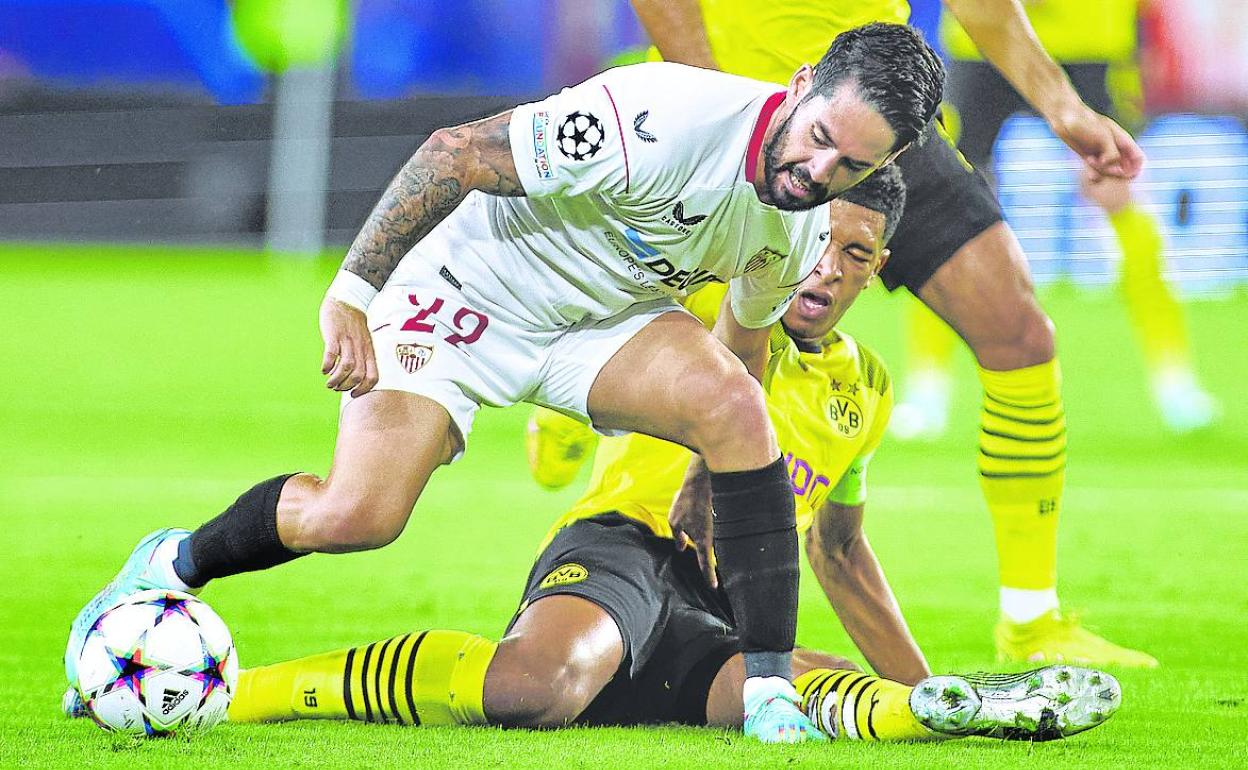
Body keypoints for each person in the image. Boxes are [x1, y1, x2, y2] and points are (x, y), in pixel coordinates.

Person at [65, 23, 946, 743]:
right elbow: (453, 152)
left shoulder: (795, 225)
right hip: (464, 293)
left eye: (850, 169)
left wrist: (708, 478)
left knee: (734, 408)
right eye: (820, 140)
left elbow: (742, 348)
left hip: (598, 323)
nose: (816, 175)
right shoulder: (661, 116)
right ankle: (169, 563)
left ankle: (767, 695)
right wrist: (350, 295)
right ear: (797, 87)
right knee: (357, 516)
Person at [218, 172, 1122, 743]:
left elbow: (838, 552)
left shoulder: (868, 391)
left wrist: (919, 680)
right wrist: (564, 427)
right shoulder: (692, 316)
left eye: (855, 254)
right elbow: (575, 359)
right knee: (535, 686)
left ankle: (946, 711)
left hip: (726, 612)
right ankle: (242, 692)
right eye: (817, 241)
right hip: (625, 551)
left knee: (814, 686)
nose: (826, 269)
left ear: (878, 267)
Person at [626, 0, 1156, 667]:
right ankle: (591, 451)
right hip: (746, 104)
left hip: (879, 120)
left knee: (1019, 333)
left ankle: (1032, 617)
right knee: (708, 358)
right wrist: (712, 104)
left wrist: (1062, 106)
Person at [890, 0, 1218, 437]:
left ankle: (1174, 378)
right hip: (987, 36)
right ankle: (927, 387)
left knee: (1119, 191)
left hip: (1090, 37)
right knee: (944, 202)